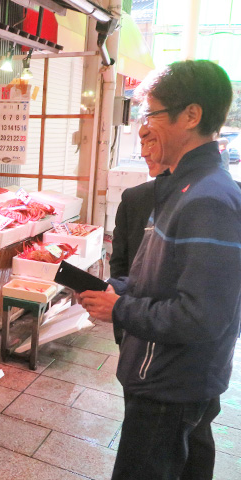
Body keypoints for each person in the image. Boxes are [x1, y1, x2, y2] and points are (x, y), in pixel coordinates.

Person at [80, 60, 241, 479]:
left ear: (192, 115)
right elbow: (162, 280)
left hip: (170, 387)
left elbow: (201, 316)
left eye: (151, 114)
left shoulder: (208, 199)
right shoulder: (182, 188)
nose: (143, 127)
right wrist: (114, 289)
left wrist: (119, 309)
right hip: (167, 380)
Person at [108, 145, 166, 345]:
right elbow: (119, 261)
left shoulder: (217, 198)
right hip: (133, 316)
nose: (144, 153)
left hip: (175, 338)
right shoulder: (134, 197)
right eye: (142, 143)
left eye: (153, 142)